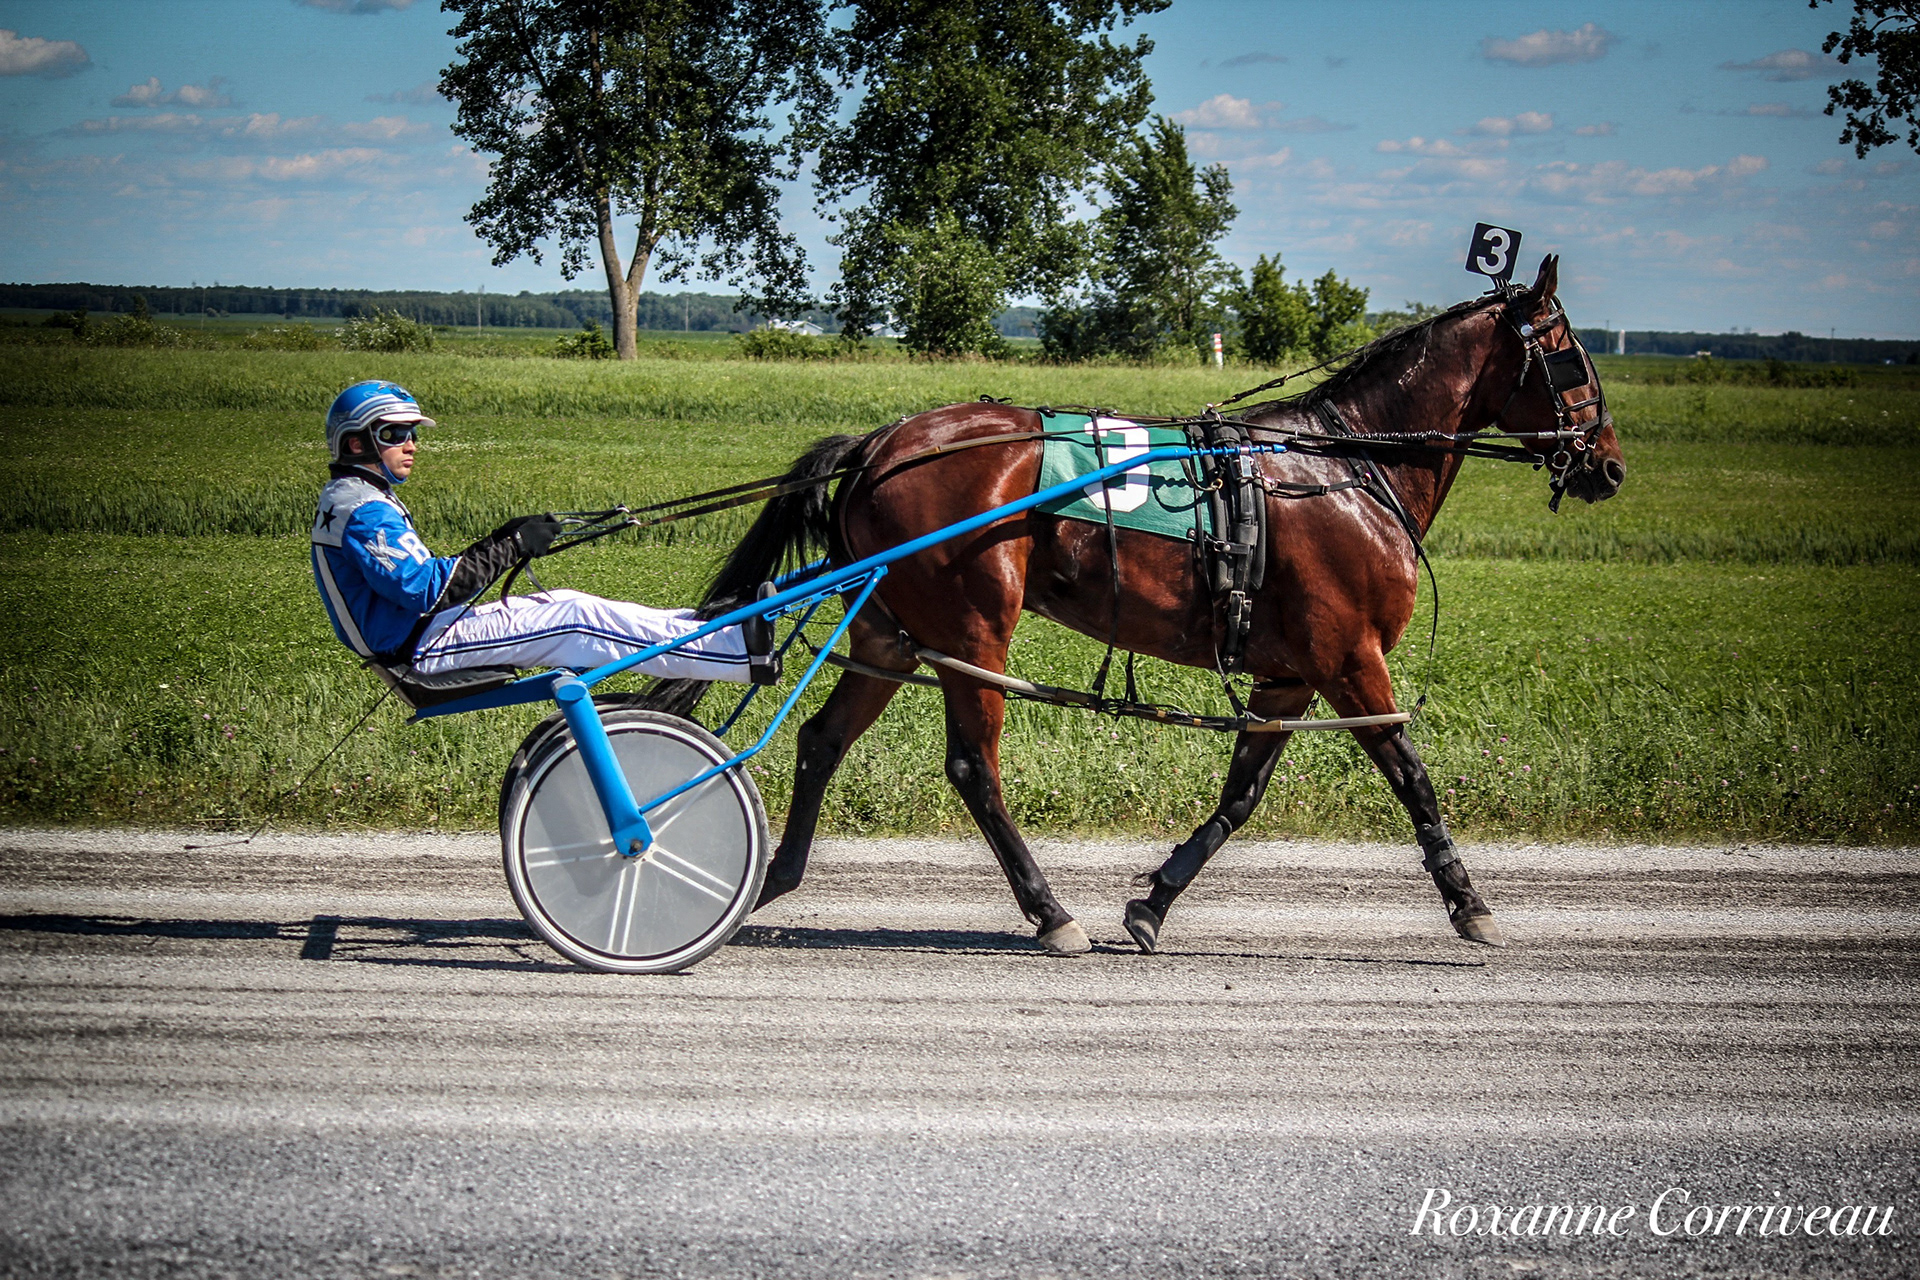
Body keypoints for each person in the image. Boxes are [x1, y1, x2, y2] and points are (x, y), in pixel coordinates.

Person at [310, 380, 776, 686]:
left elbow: (429, 582)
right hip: (419, 647)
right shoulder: (364, 509)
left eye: (412, 433)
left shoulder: (355, 497)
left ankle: (709, 628)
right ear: (356, 442)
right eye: (394, 434)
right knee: (576, 619)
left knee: (566, 602)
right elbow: (426, 590)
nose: (410, 444)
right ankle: (735, 654)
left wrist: (502, 539)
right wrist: (511, 546)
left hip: (421, 633)